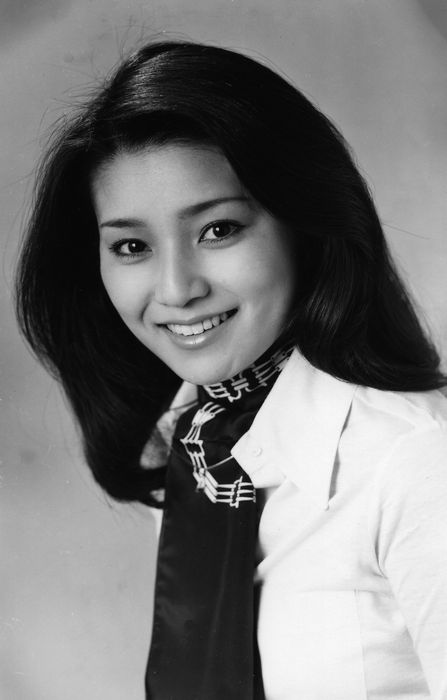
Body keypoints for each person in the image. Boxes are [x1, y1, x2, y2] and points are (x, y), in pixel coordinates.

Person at [15, 40, 447, 700]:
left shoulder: (416, 460)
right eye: (131, 246)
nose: (176, 288)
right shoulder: (197, 451)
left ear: (304, 224)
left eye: (217, 230)